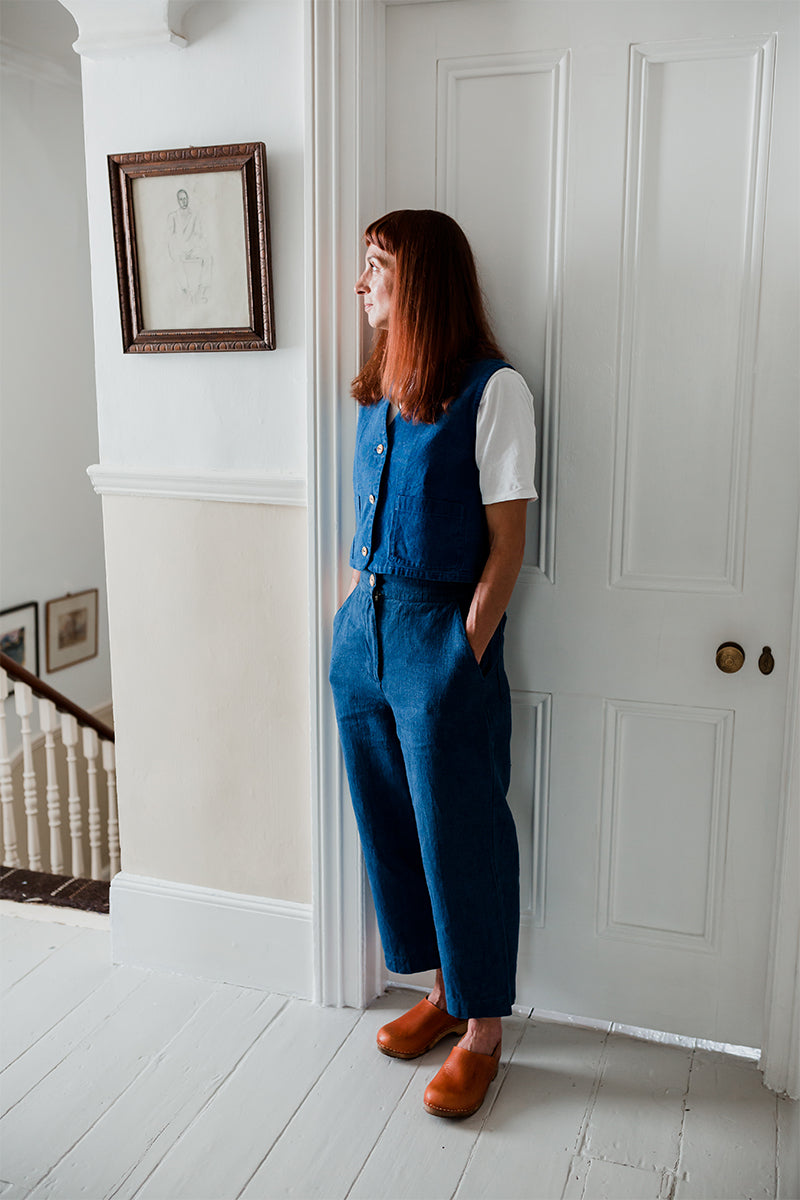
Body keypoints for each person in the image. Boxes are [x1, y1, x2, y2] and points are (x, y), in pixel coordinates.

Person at [329, 209, 537, 1118]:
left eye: (376, 267)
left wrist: (463, 654)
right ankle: (445, 991)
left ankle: (484, 1026)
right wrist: (350, 617)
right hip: (364, 635)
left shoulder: (496, 392)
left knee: (464, 834)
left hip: (437, 638)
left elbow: (506, 549)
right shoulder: (381, 389)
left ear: (421, 281)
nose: (362, 283)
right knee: (393, 826)